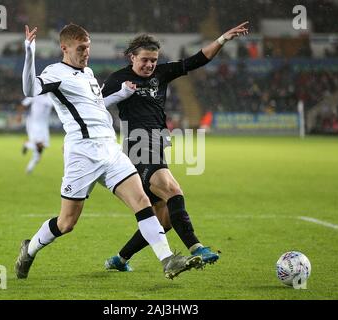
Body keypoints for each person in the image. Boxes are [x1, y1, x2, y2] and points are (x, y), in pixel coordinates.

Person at [15, 23, 203, 280]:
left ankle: (168, 260)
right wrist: (29, 51)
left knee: (142, 201)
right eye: (81, 48)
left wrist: (122, 94)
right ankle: (30, 248)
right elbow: (29, 90)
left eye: (88, 48)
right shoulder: (55, 72)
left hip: (109, 149)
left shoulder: (88, 73)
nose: (86, 53)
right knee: (66, 223)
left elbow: (97, 107)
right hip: (82, 154)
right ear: (65, 48)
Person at [102, 22, 249, 272]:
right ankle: (196, 247)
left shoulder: (162, 73)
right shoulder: (119, 79)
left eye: (154, 60)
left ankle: (120, 259)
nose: (149, 65)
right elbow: (94, 106)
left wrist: (223, 38)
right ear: (132, 57)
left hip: (157, 146)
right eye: (145, 60)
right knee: (172, 189)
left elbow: (197, 60)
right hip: (138, 147)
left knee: (164, 219)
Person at [20, 93, 54, 174]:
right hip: (33, 123)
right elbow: (24, 104)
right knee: (39, 145)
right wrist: (19, 115)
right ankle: (28, 144)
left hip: (44, 125)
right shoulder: (35, 94)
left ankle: (30, 166)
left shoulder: (51, 97)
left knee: (41, 149)